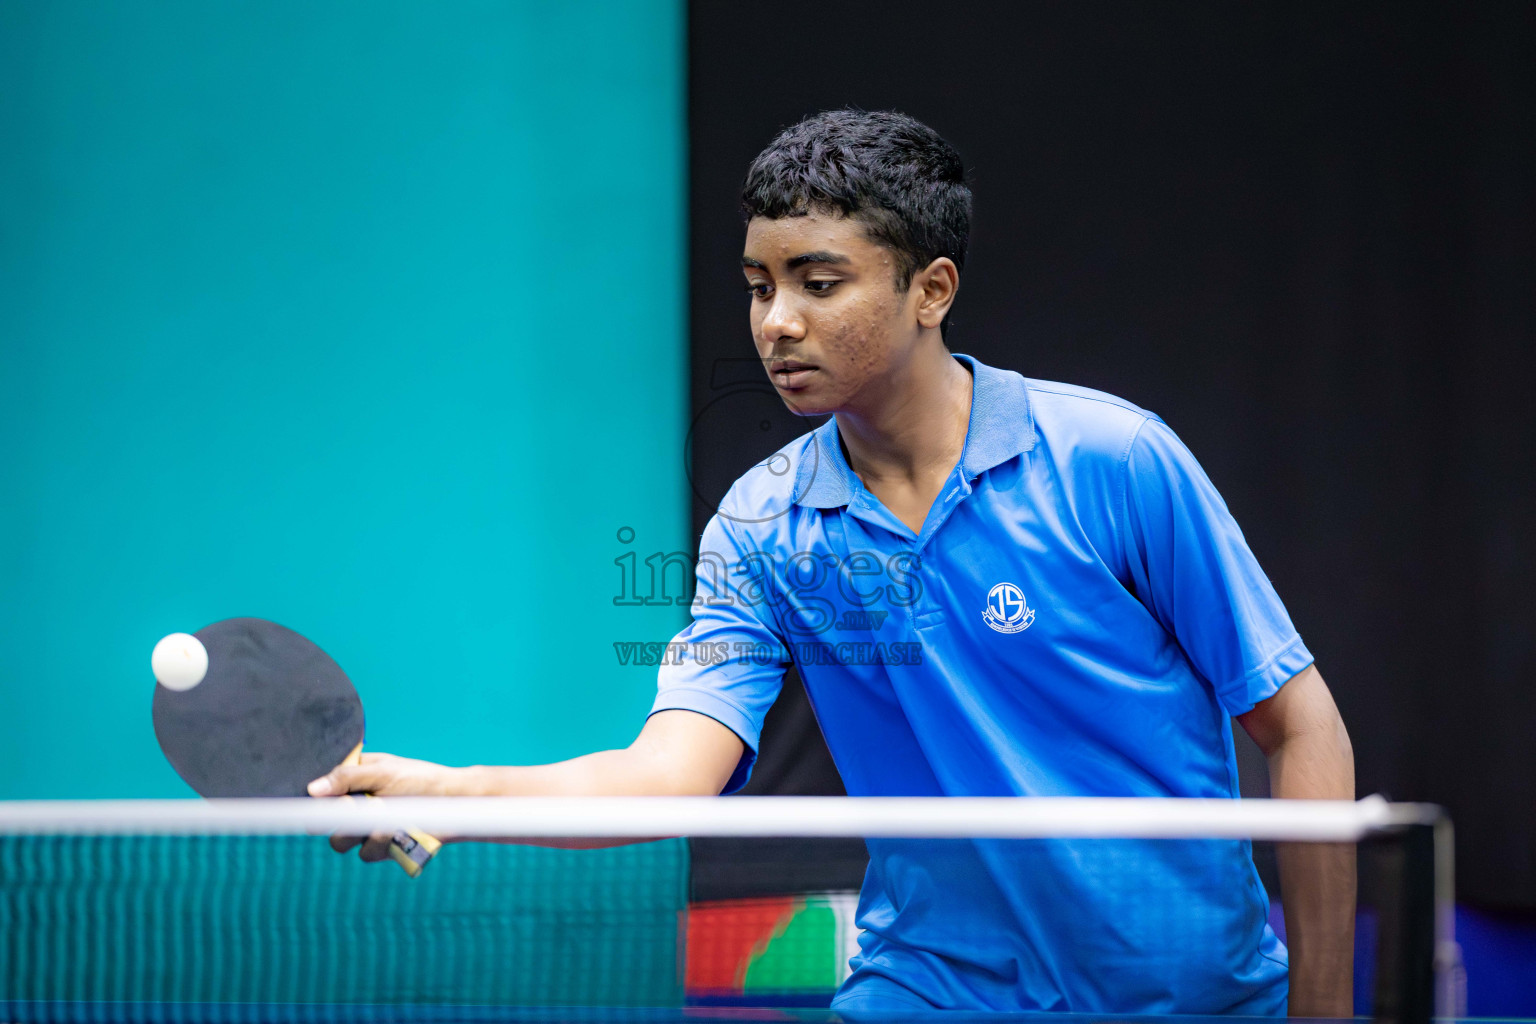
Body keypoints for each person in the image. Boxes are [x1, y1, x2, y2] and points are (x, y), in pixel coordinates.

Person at [309, 109, 1356, 1016]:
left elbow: (1300, 723)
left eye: (819, 283)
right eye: (759, 285)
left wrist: (1321, 1008)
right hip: (931, 988)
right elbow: (665, 777)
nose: (777, 322)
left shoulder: (1112, 461)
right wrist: (456, 791)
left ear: (930, 290)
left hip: (1182, 993)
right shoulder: (761, 527)